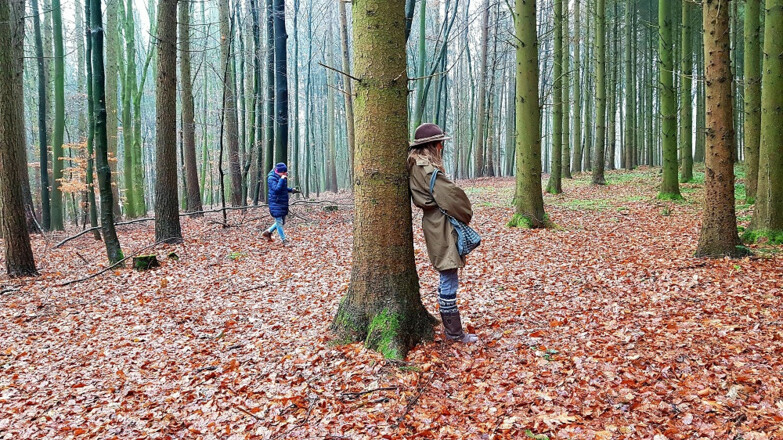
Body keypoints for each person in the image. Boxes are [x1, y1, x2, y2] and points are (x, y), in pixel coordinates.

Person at [407, 123, 478, 343]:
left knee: (448, 274)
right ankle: (454, 333)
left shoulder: (417, 165)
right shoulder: (426, 168)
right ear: (432, 145)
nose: (441, 147)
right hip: (440, 225)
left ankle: (453, 330)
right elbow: (452, 197)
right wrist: (465, 213)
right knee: (448, 275)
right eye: (439, 143)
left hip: (437, 223)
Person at [262, 162, 298, 243]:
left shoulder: (280, 176)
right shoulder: (271, 178)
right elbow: (276, 190)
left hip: (282, 202)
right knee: (279, 222)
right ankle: (284, 240)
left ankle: (268, 232)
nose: (285, 174)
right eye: (284, 172)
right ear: (279, 171)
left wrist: (291, 190)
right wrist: (282, 179)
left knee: (282, 222)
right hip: (276, 203)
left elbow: (282, 188)